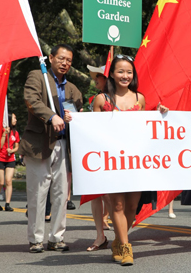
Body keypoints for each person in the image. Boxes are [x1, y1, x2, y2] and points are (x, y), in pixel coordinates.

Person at [91, 55, 168, 266]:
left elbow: (145, 127)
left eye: (129, 72)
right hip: (111, 162)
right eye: (120, 71)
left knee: (132, 207)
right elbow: (91, 131)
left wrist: (160, 113)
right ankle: (125, 247)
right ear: (112, 74)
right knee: (116, 205)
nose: (125, 76)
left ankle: (118, 240)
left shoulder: (140, 99)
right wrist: (74, 119)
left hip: (135, 162)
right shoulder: (101, 100)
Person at [19, 44, 83, 253]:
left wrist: (75, 117)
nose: (65, 63)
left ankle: (56, 237)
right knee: (37, 193)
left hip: (64, 144)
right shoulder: (38, 76)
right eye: (61, 58)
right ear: (51, 58)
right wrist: (51, 116)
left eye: (69, 61)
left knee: (61, 194)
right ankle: (36, 239)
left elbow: (80, 112)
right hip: (40, 143)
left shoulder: (73, 88)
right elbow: (31, 100)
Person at [85, 65, 111, 252]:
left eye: (99, 76)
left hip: (123, 155)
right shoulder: (99, 99)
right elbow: (94, 125)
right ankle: (100, 235)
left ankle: (121, 236)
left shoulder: (131, 96)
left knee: (115, 196)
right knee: (96, 194)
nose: (96, 79)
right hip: (100, 151)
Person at [0, 113, 20, 211]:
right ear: (9, 119)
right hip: (0, 159)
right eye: (14, 118)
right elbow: (0, 146)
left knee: (8, 181)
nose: (16, 120)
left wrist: (12, 150)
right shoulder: (2, 131)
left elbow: (17, 146)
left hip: (10, 159)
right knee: (1, 182)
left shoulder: (16, 133)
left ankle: (7, 203)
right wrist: (3, 135)